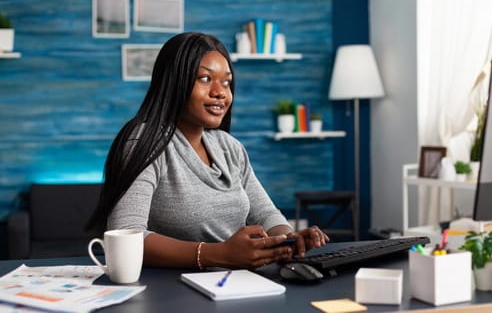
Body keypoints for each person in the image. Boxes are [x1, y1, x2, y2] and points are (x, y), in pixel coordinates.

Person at [87, 32, 329, 270]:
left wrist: (287, 239)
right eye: (205, 79)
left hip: (235, 284)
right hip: (170, 292)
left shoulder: (230, 147)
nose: (220, 92)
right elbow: (126, 234)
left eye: (226, 82)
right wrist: (217, 255)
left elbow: (265, 214)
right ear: (174, 83)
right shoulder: (145, 141)